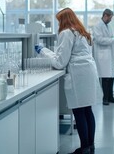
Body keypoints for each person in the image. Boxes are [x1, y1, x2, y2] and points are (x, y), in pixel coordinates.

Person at [36, 8, 102, 154]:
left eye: (59, 20)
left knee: (78, 111)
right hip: (89, 71)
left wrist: (43, 51)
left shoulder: (66, 33)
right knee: (87, 110)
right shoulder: (82, 32)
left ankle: (84, 148)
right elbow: (65, 55)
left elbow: (60, 62)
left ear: (64, 20)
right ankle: (90, 146)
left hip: (78, 74)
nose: (59, 23)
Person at [92, 9, 114, 105]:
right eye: (110, 17)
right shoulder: (97, 26)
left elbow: (111, 37)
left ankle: (111, 97)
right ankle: (105, 98)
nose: (111, 20)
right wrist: (113, 39)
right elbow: (100, 40)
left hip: (109, 54)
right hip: (102, 55)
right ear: (105, 15)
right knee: (105, 77)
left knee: (111, 76)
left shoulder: (108, 26)